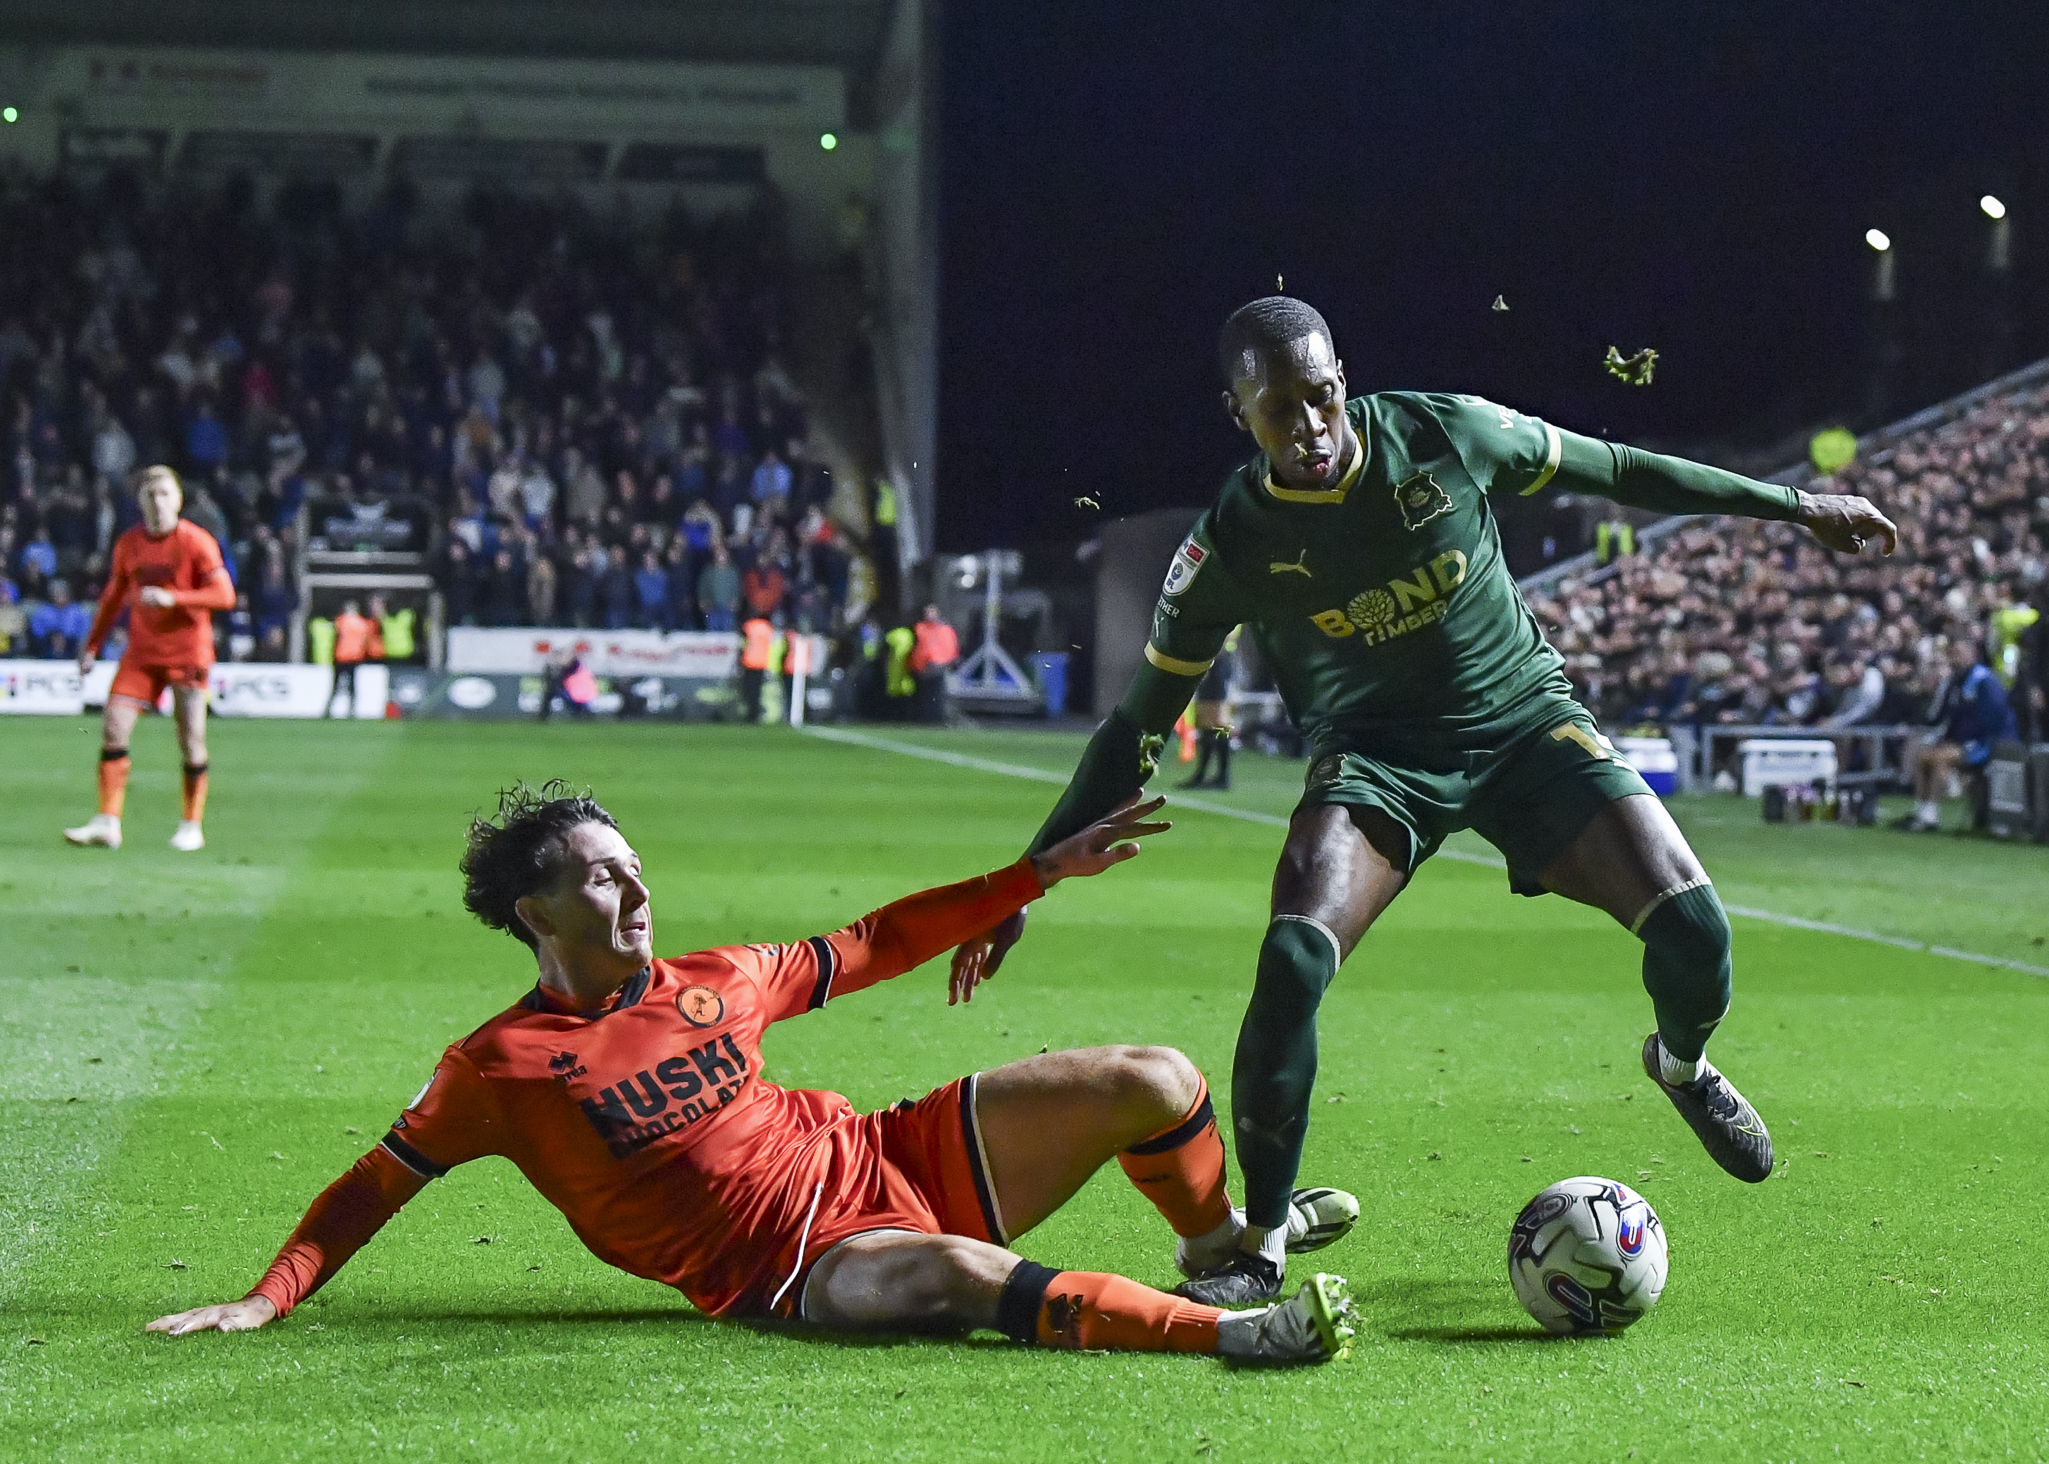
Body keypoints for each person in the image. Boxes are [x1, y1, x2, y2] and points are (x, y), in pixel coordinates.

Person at [952, 295, 1901, 1305]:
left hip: (1528, 729)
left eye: (1323, 397)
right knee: (1289, 961)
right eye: (1281, 410)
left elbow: (1618, 470)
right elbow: (1136, 729)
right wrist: (1023, 881)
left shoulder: (1447, 432)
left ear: (1345, 380)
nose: (1311, 428)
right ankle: (1260, 1245)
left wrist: (1797, 507)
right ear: (1239, 415)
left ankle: (1681, 1064)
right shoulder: (1230, 544)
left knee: (1696, 932)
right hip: (1375, 763)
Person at [145, 785, 1357, 1366]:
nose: (634, 891)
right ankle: (1230, 1331)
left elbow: (877, 941)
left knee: (1150, 1075)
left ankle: (1222, 1246)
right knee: (951, 1273)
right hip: (797, 1268)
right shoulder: (498, 1067)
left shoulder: (715, 977)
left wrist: (1032, 874)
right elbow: (376, 1183)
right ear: (536, 912)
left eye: (633, 866)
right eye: (601, 878)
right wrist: (272, 1292)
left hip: (888, 1159)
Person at [65, 466, 236, 853]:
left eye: (164, 494)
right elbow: (112, 598)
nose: (157, 502)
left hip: (187, 652)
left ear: (178, 500)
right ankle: (108, 822)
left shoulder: (197, 542)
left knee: (191, 740)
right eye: (149, 495)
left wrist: (175, 598)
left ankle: (192, 825)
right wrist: (91, 645)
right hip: (141, 655)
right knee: (113, 728)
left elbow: (224, 595)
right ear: (140, 502)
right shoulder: (129, 544)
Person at [1899, 637, 2017, 832]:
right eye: (1953, 654)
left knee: (1939, 760)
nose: (1955, 659)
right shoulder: (1956, 681)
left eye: (1959, 654)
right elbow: (1944, 715)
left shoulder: (1984, 681)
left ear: (1972, 654)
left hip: (1985, 743)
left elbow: (1993, 718)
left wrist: (1966, 740)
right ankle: (1921, 810)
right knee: (1923, 758)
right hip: (1962, 742)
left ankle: (1931, 816)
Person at [1180, 626, 1240, 789]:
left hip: (1217, 667)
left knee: (1217, 724)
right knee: (1210, 725)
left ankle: (1219, 776)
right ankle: (1207, 775)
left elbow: (1221, 639)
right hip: (1216, 666)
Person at [328, 599, 378, 718]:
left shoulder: (341, 620)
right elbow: (368, 637)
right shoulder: (362, 623)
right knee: (352, 685)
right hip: (355, 656)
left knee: (336, 685)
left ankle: (329, 710)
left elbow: (335, 634)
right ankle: (352, 710)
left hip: (341, 656)